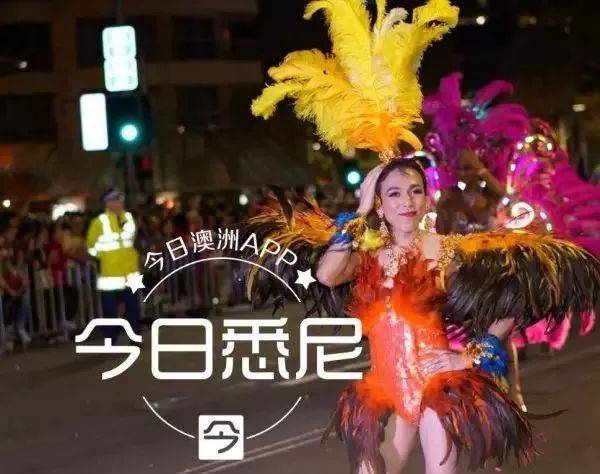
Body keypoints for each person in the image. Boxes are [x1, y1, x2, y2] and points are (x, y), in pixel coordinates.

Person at [240, 1, 600, 472]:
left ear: (426, 198)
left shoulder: (446, 251)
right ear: (381, 204)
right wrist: (359, 212)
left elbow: (515, 300)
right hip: (385, 388)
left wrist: (467, 357)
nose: (407, 201)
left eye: (415, 191)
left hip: (436, 387)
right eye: (394, 194)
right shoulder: (368, 256)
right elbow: (327, 275)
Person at [86, 188, 141, 343]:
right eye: (116, 200)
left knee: (133, 308)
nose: (120, 203)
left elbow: (131, 241)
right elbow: (91, 246)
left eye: (120, 200)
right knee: (110, 311)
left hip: (130, 273)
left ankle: (135, 338)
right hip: (110, 274)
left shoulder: (128, 218)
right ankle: (110, 339)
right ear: (108, 203)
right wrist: (105, 256)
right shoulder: (99, 222)